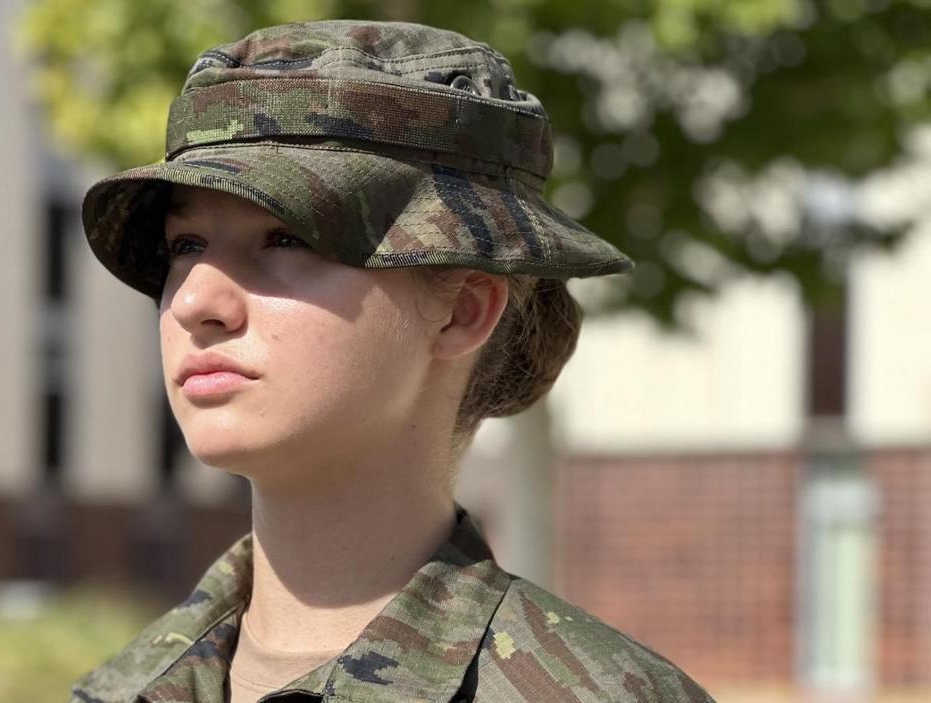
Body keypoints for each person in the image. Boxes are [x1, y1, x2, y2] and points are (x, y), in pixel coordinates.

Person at [69, 19, 715, 703]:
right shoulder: (119, 692)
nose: (197, 298)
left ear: (463, 308)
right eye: (185, 245)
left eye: (286, 236)